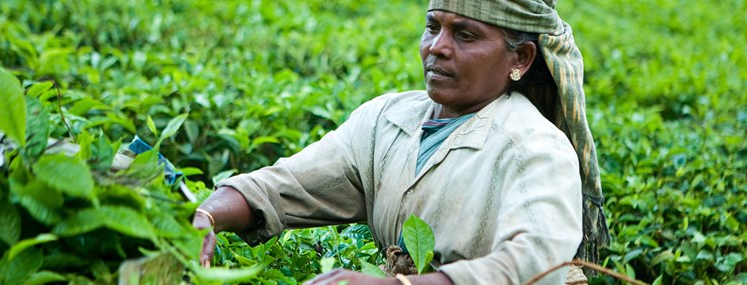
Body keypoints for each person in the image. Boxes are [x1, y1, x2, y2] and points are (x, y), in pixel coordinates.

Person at [192, 0, 608, 284]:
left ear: (520, 60)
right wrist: (207, 217)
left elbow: (535, 263)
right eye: (433, 28)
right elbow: (285, 186)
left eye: (465, 36)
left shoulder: (535, 149)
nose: (437, 48)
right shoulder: (386, 120)